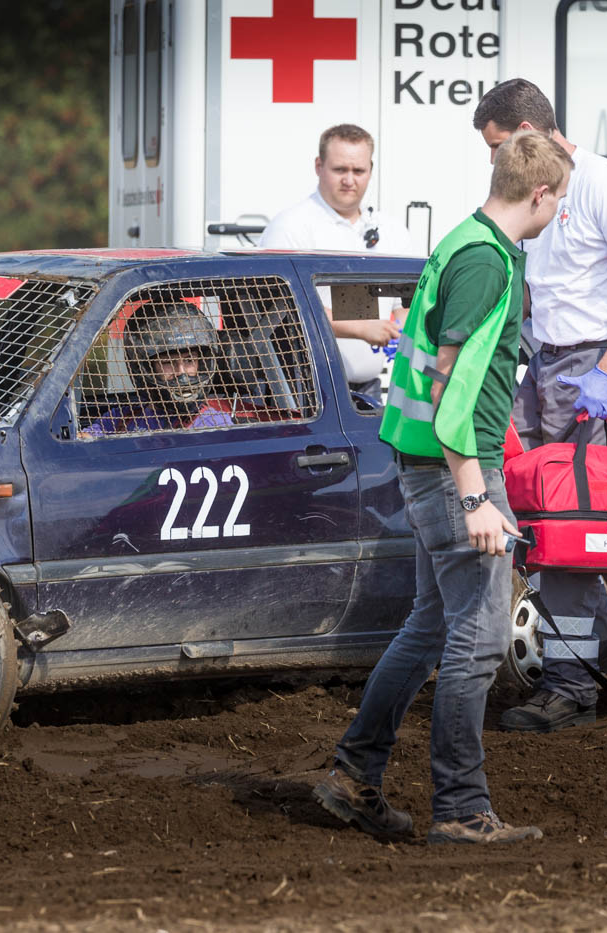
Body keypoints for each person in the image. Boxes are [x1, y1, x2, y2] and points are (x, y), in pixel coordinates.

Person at [313, 131, 571, 845]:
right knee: (479, 640)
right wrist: (476, 496)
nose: (559, 212)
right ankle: (460, 808)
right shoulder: (487, 262)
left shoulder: (466, 240)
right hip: (457, 468)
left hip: (426, 461)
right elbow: (450, 388)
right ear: (540, 193)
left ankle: (353, 775)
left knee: (430, 627)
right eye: (559, 200)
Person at [471, 78, 607, 734]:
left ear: (527, 132)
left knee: (570, 520)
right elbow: (538, 290)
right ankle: (599, 645)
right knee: (521, 501)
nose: (493, 160)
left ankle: (572, 687)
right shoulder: (535, 191)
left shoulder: (601, 181)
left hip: (594, 360)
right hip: (549, 360)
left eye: (497, 145)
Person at [260, 123, 414, 398]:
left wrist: (403, 331)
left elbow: (405, 305)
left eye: (358, 171)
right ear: (319, 166)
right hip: (305, 392)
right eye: (340, 169)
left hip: (369, 389)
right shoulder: (290, 227)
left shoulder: (391, 231)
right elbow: (280, 309)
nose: (349, 180)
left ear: (371, 169)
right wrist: (361, 329)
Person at [84, 299, 236, 434]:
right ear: (147, 368)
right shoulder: (121, 418)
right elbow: (84, 440)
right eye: (167, 362)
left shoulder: (212, 423)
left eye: (189, 360)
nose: (181, 372)